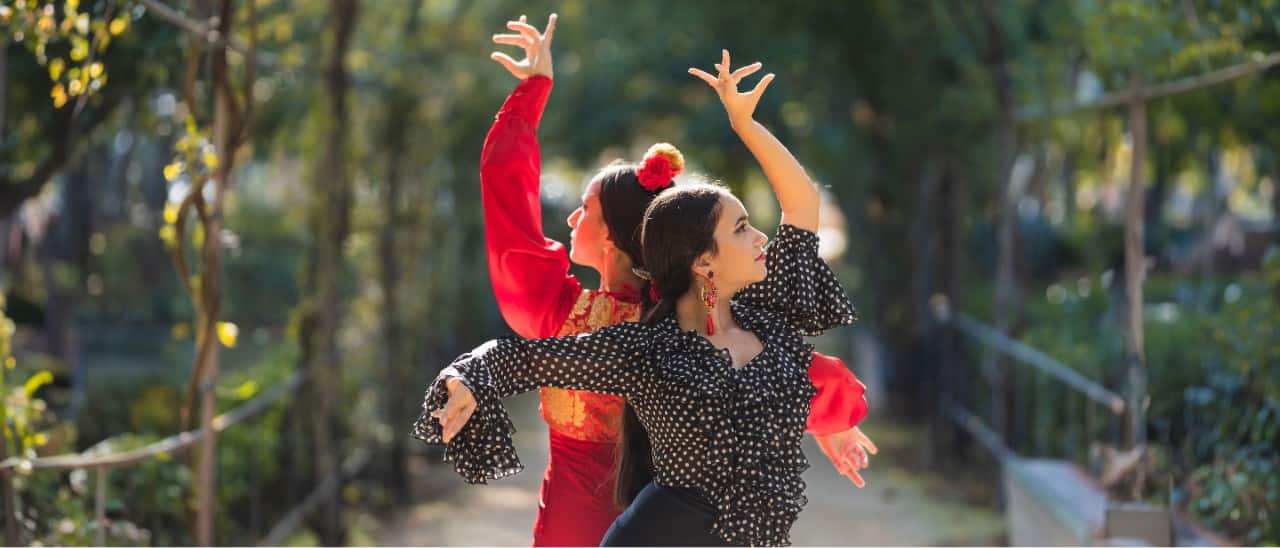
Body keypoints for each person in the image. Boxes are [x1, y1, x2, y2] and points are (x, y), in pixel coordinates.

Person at [415, 48, 863, 546]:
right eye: (743, 228)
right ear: (701, 259)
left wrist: (745, 123)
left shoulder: (743, 323)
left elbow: (802, 212)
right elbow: (516, 360)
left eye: (584, 208)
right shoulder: (651, 340)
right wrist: (468, 374)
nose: (760, 239)